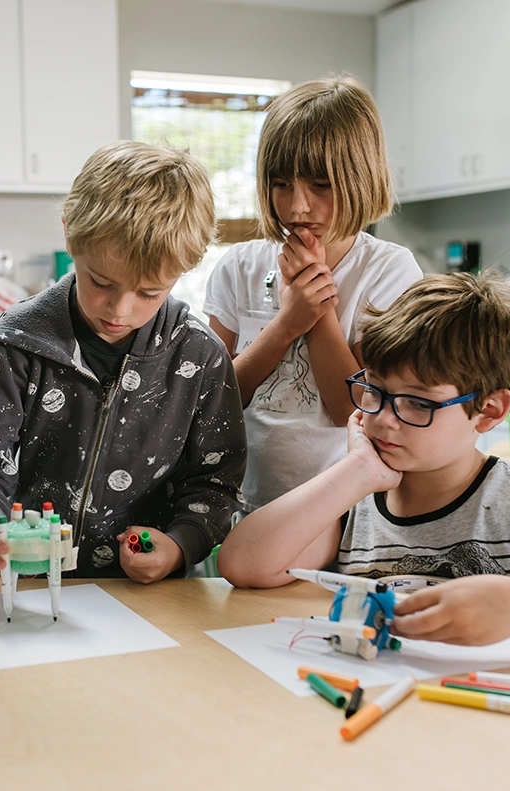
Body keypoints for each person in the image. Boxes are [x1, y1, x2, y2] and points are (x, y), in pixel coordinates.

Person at [217, 272, 510, 659]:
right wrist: (356, 471)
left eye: (416, 403)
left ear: (490, 410)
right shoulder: (355, 499)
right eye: (374, 391)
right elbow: (243, 565)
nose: (383, 419)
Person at [0, 141, 246, 586]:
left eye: (148, 293)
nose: (119, 309)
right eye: (101, 281)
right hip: (30, 583)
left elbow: (215, 483)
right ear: (69, 234)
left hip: (147, 595)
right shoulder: (19, 344)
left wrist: (180, 545)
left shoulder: (199, 357)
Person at [204, 75, 423, 512]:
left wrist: (318, 312)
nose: (297, 206)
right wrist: (286, 324)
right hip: (241, 502)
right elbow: (213, 402)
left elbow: (356, 412)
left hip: (342, 512)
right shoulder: (238, 267)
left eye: (320, 185)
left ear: (361, 178)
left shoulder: (389, 271)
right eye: (281, 184)